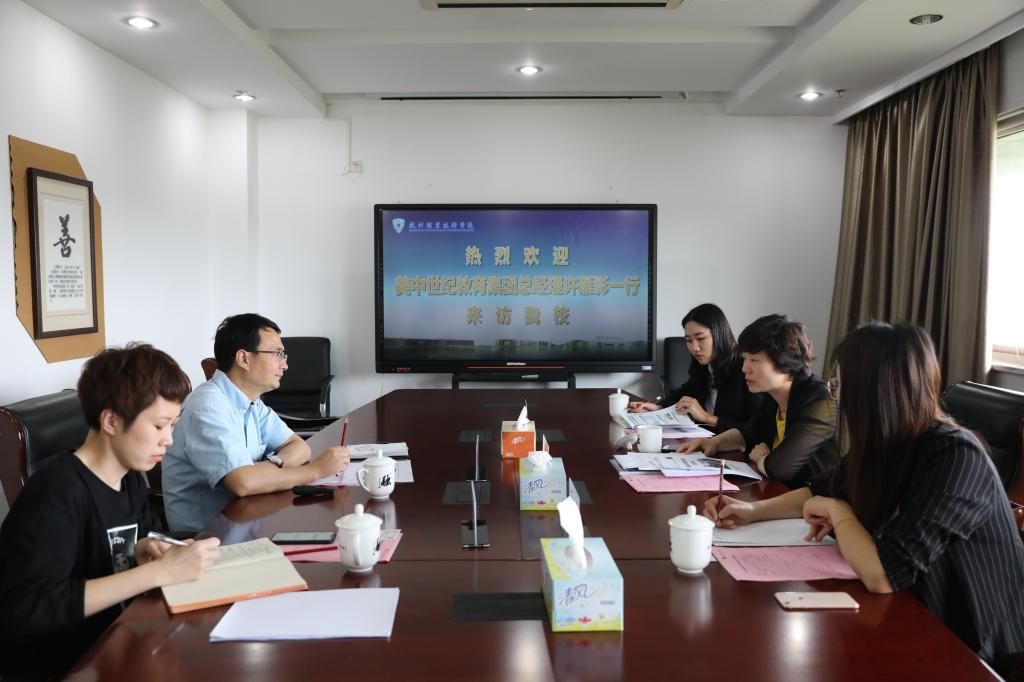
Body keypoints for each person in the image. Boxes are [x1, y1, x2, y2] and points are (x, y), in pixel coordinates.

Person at [703, 323, 1024, 673]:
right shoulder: (888, 442)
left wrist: (839, 513)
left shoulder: (954, 458)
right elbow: (822, 489)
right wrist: (751, 510)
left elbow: (882, 574)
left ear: (877, 391)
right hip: (908, 612)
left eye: (840, 386)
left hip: (973, 647)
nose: (836, 398)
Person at [0, 345, 221, 679]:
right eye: (159, 426)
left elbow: (132, 540)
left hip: (120, 641)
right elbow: (28, 607)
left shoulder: (129, 476)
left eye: (173, 426)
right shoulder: (57, 493)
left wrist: (144, 549)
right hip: (68, 665)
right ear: (111, 421)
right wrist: (158, 573)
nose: (169, 440)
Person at [162, 314, 349, 533]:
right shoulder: (208, 408)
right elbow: (243, 483)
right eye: (277, 354)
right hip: (206, 538)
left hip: (247, 522)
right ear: (244, 359)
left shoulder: (251, 401)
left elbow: (299, 447)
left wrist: (270, 467)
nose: (285, 364)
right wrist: (317, 470)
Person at [679, 314, 837, 488]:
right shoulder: (772, 396)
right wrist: (713, 443)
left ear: (784, 361)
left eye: (753, 360)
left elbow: (779, 469)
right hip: (781, 493)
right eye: (745, 359)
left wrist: (762, 457)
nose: (745, 368)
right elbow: (748, 433)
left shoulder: (819, 402)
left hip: (816, 498)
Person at [628, 303, 761, 434]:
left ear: (719, 335)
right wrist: (658, 408)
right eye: (689, 340)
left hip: (731, 443)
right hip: (703, 435)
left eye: (700, 338)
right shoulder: (703, 364)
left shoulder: (745, 369)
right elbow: (685, 393)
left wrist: (707, 417)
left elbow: (756, 428)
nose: (694, 348)